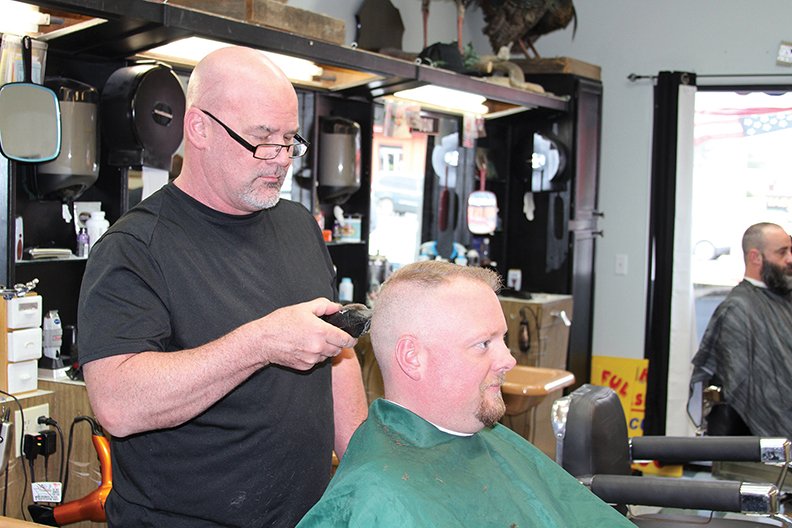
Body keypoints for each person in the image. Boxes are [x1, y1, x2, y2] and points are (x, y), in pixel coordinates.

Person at [77, 46, 368, 527]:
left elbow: (336, 355)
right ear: (199, 129)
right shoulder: (135, 247)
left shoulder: (298, 225)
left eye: (289, 140)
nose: (280, 159)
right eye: (261, 139)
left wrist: (364, 472)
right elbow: (118, 405)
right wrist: (259, 344)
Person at [297, 261, 635, 527]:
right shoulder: (375, 498)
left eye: (502, 340)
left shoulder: (489, 440)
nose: (508, 360)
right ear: (413, 358)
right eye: (483, 344)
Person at [691, 222, 792, 437]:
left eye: (791, 250)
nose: (790, 259)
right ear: (756, 257)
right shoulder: (737, 309)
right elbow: (744, 382)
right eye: (782, 252)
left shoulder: (784, 298)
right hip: (763, 422)